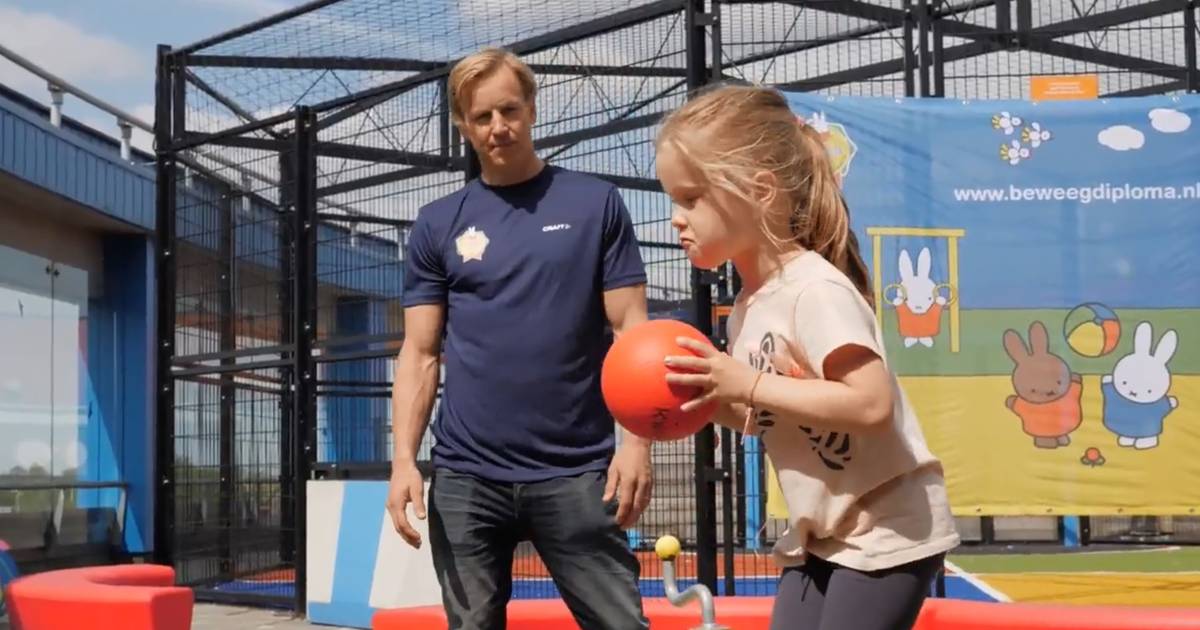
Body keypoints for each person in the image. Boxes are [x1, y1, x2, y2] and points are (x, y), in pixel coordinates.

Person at [656, 84, 961, 630]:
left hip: (888, 525)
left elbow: (870, 404)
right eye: (674, 200)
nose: (677, 218)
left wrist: (742, 384)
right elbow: (766, 413)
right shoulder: (749, 305)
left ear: (761, 190)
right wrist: (701, 403)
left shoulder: (814, 290)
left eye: (692, 197)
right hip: (821, 530)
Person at [385, 46, 654, 630]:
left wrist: (636, 446)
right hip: (465, 476)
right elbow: (420, 352)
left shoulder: (595, 204)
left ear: (532, 109)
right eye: (481, 117)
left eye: (508, 110)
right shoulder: (437, 223)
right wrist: (404, 460)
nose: (497, 127)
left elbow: (633, 331)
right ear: (463, 126)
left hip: (578, 471)